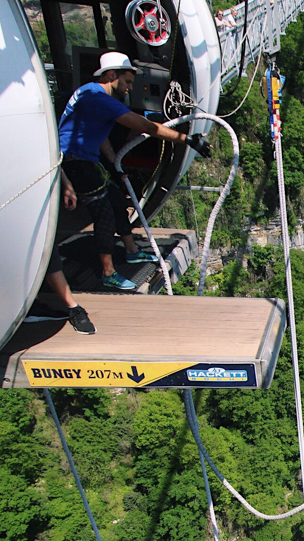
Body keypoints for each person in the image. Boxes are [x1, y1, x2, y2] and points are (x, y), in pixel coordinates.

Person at [57, 51, 211, 290]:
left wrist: (115, 166)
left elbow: (99, 136)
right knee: (104, 215)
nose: (130, 88)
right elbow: (146, 126)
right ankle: (108, 272)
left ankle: (131, 251)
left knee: (118, 202)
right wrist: (188, 139)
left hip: (84, 160)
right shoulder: (99, 99)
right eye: (127, 81)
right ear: (111, 75)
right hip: (75, 163)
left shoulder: (90, 93)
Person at [24, 169, 96, 333]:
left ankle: (72, 307)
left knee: (46, 248)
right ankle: (36, 305)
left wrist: (66, 184)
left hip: (34, 191)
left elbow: (53, 158)